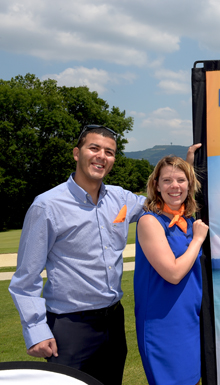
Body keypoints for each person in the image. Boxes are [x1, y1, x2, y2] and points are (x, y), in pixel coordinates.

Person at [8, 124, 198, 384]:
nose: (101, 156)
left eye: (109, 152)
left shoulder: (121, 199)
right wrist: (35, 330)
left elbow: (169, 196)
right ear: (77, 153)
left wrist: (188, 168)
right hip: (69, 326)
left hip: (113, 321)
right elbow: (26, 277)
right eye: (94, 148)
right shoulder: (47, 205)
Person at [133, 156, 208, 385]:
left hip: (190, 321)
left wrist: (195, 157)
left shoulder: (188, 221)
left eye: (181, 180)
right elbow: (173, 274)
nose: (174, 186)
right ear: (156, 185)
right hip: (164, 324)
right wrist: (197, 241)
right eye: (166, 180)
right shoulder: (150, 222)